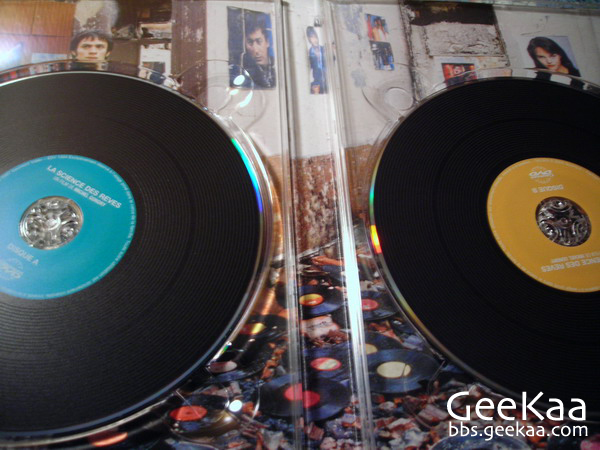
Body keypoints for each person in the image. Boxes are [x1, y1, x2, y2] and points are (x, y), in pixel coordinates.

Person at [241, 15, 276, 89]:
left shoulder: (277, 66)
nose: (255, 50)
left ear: (267, 42)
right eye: (250, 42)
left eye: (259, 41)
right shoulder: (245, 72)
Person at [307, 27, 327, 94]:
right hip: (317, 81)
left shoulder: (324, 49)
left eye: (315, 37)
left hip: (327, 78)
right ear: (309, 39)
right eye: (312, 37)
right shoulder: (310, 52)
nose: (314, 39)